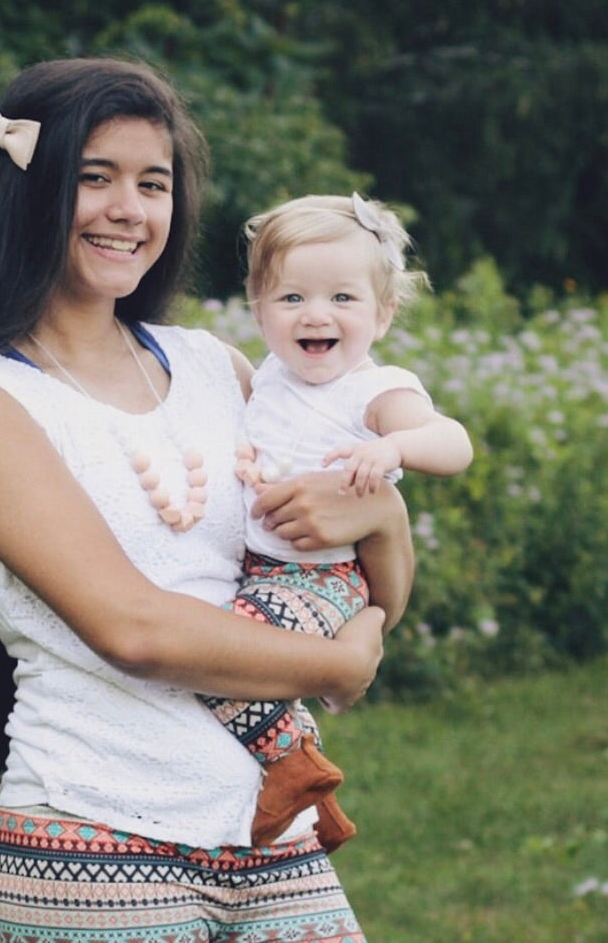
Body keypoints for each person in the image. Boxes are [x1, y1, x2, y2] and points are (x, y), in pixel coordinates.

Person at [0, 58, 416, 942]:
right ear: (26, 194)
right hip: (98, 834)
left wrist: (385, 519)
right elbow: (134, 630)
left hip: (268, 825)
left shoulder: (215, 369)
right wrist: (338, 668)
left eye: (153, 184)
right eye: (94, 178)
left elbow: (351, 573)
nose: (129, 210)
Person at [200, 193, 474, 850]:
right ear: (259, 310)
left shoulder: (374, 391)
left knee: (218, 656)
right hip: (264, 572)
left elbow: (455, 443)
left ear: (382, 315)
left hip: (324, 580)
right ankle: (303, 780)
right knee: (220, 664)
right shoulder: (267, 378)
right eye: (291, 298)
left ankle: (297, 766)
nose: (316, 314)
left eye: (342, 300)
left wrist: (395, 447)